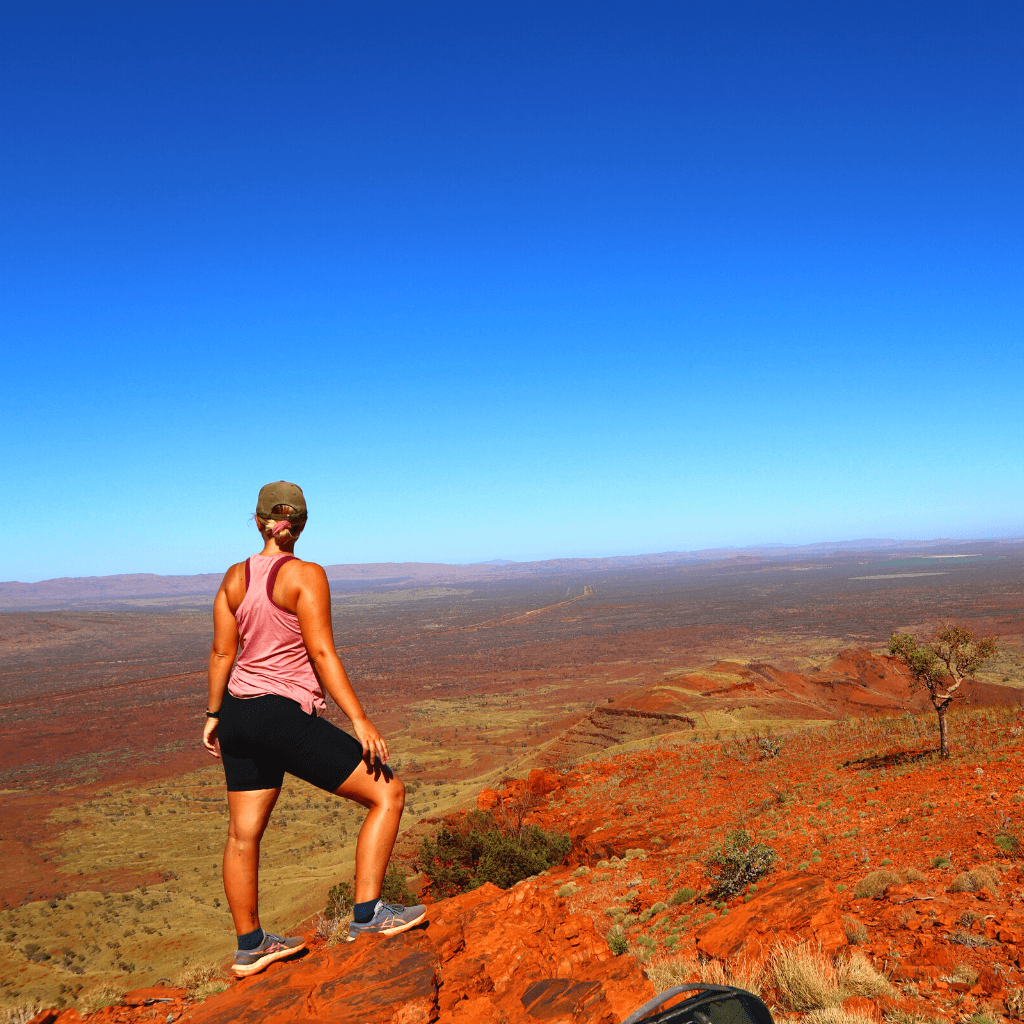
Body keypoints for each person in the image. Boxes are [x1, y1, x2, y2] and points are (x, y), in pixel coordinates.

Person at [202, 481, 425, 977]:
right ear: (300, 524)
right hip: (281, 713)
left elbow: (222, 653)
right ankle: (368, 916)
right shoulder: (305, 575)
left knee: (243, 835)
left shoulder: (233, 578)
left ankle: (250, 945)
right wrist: (360, 719)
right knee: (388, 794)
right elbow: (322, 653)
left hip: (238, 713)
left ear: (258, 521)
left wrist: (215, 714)